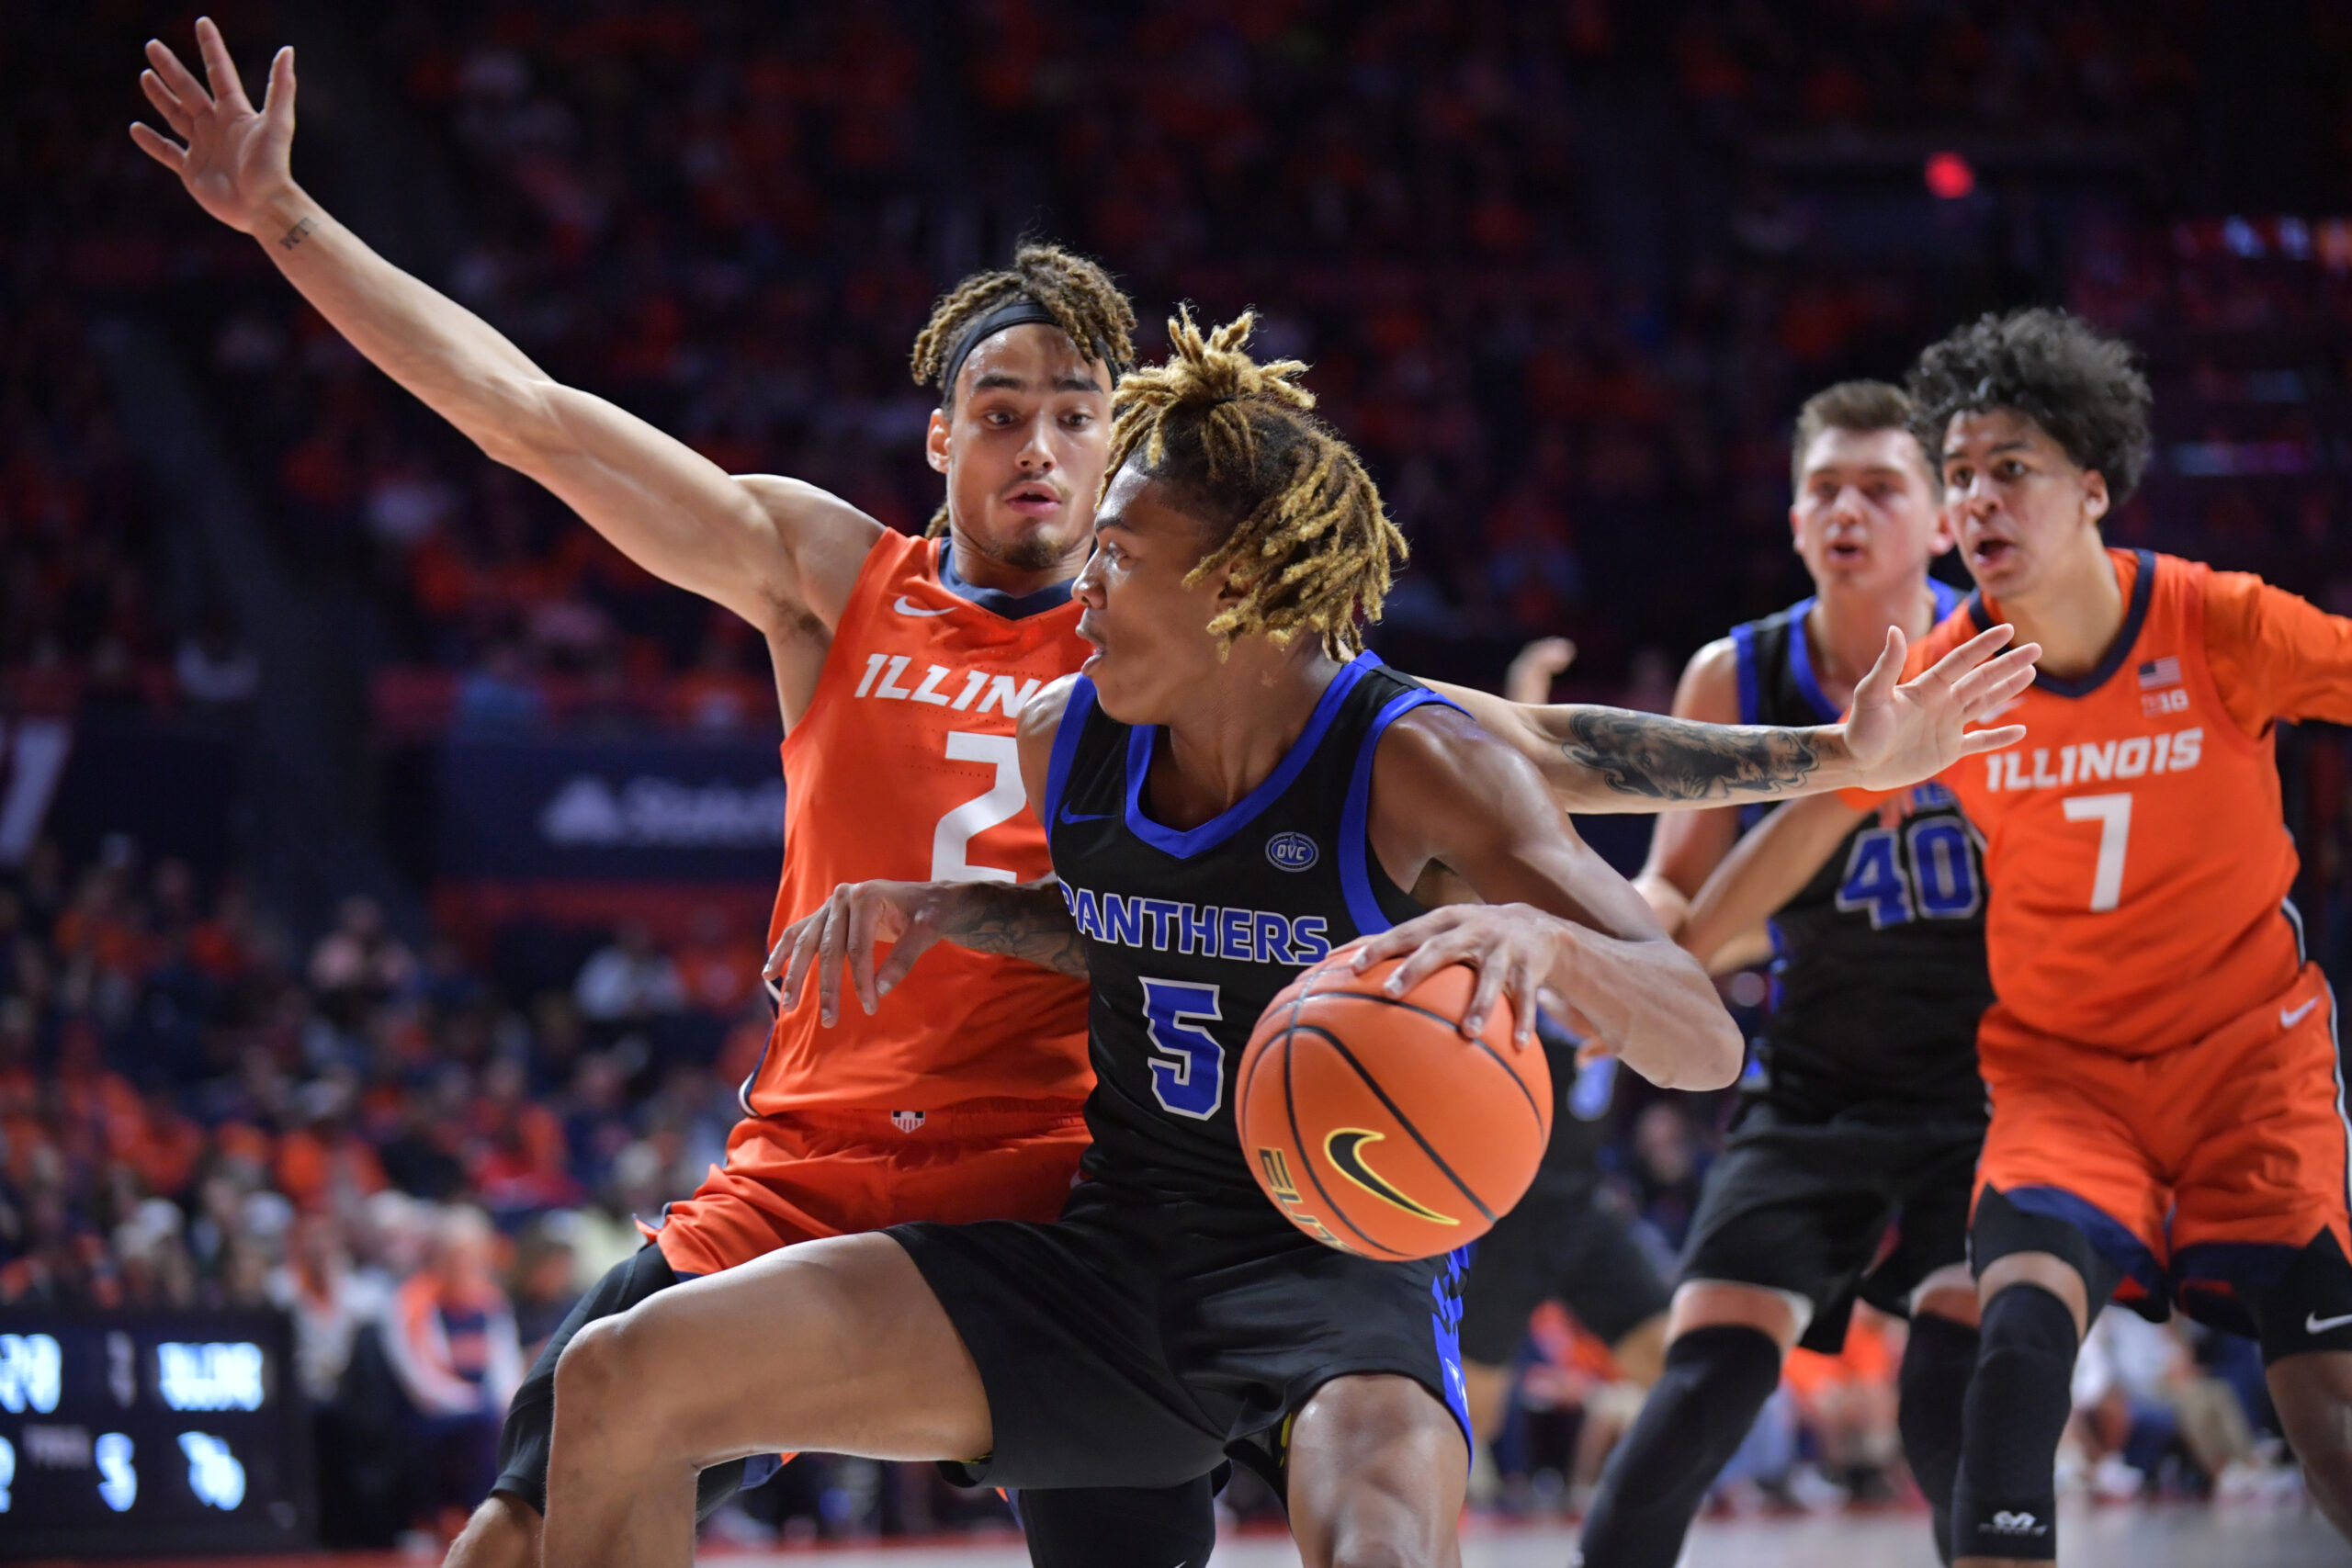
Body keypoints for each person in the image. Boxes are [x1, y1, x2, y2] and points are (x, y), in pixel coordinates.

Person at [134, 27, 2037, 1560]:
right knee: (548, 1483)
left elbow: (1532, 760)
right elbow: (531, 421)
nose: (1047, 450)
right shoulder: (853, 586)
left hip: (1087, 1172)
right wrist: (293, 228)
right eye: (1008, 410)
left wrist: (1814, 766)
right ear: (940, 431)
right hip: (861, 1173)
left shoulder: (1246, 675)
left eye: (1083, 420)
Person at [536, 311, 2037, 1567]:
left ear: (1244, 587)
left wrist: (1555, 952)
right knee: (622, 1376)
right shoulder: (1075, 737)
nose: (1088, 589)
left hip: (1343, 1279)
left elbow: (1702, 1043)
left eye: (1123, 555)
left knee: (1379, 1549)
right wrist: (951, 911)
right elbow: (1133, 932)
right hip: (1113, 1257)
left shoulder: (1412, 760)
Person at [1685, 308, 2352, 1565]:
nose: (1978, 499)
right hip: (2064, 1079)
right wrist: (1671, 958)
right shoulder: (1951, 682)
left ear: (2093, 487)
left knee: (2327, 1425)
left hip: (2249, 1066)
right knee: (2016, 1357)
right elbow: (1803, 834)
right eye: (1959, 476)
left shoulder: (2222, 625)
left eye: (2011, 470)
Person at [1571, 380, 1996, 1567]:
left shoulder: (2010, 660)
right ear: (1796, 521)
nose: (1848, 509)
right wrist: (1620, 954)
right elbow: (1677, 893)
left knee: (1949, 1409)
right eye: (1825, 489)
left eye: (1881, 487)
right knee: (1699, 1389)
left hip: (1990, 1089)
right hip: (1815, 1079)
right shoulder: (1737, 674)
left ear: (1944, 522)